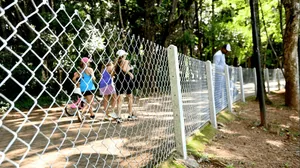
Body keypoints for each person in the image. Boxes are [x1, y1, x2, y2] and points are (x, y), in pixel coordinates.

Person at [113, 49, 137, 120]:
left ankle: (119, 116)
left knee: (119, 99)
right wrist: (130, 73)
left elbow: (113, 73)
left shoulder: (116, 63)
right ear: (123, 55)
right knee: (130, 97)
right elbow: (124, 69)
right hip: (126, 80)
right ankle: (130, 115)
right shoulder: (126, 61)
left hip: (118, 81)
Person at [213, 44, 231, 110]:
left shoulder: (222, 55)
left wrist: (227, 67)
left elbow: (223, 64)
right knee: (217, 89)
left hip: (222, 75)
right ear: (223, 48)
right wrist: (224, 68)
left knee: (221, 89)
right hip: (217, 74)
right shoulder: (217, 55)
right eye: (226, 50)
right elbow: (215, 66)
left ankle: (219, 103)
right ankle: (216, 104)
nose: (227, 52)